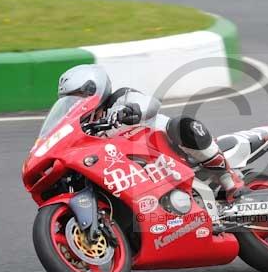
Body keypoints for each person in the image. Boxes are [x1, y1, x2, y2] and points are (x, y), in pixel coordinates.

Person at [57, 64, 245, 201]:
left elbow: (151, 103)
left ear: (94, 91)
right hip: (139, 177)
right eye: (71, 99)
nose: (76, 102)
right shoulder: (86, 128)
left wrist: (128, 111)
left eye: (79, 96)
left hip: (172, 152)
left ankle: (229, 180)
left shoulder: (120, 99)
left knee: (181, 125)